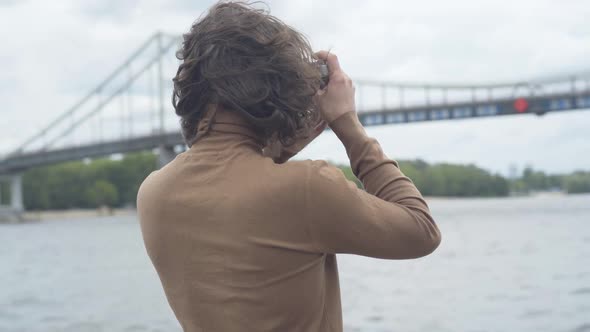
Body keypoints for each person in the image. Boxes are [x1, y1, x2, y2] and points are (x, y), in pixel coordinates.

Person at [136, 2, 441, 331]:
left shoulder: (153, 192)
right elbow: (421, 231)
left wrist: (278, 148)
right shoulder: (308, 187)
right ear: (278, 90)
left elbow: (234, 190)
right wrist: (348, 125)